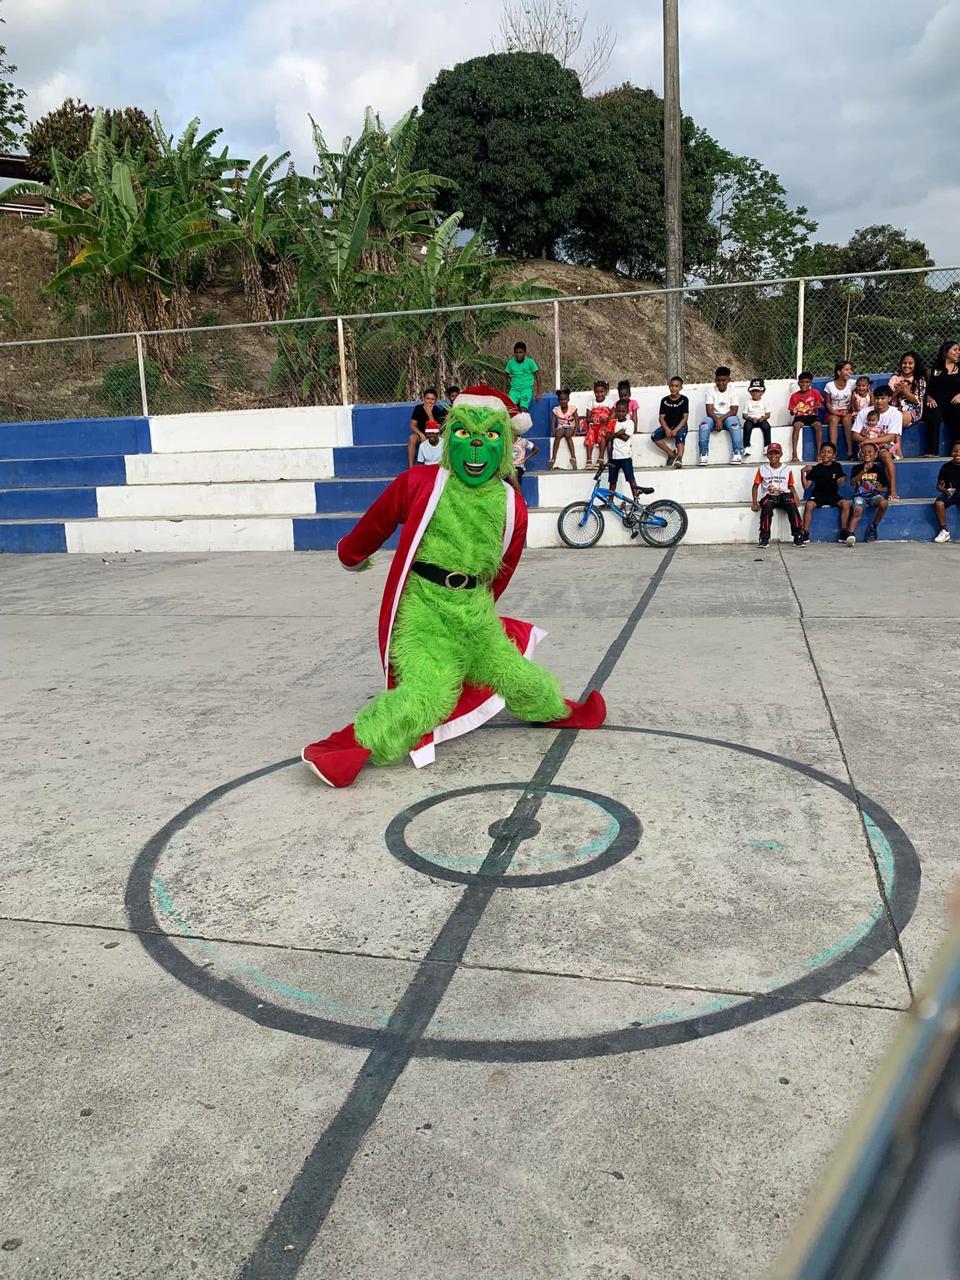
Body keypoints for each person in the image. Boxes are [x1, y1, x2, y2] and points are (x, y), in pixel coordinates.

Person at [301, 385, 606, 789]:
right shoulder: (421, 482)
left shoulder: (511, 503)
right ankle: (346, 746)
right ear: (450, 436)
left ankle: (561, 712)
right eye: (464, 433)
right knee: (430, 694)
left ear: (505, 443)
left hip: (475, 615)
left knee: (520, 676)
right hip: (425, 613)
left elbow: (504, 565)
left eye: (490, 436)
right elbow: (378, 520)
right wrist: (351, 553)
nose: (477, 446)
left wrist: (481, 610)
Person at [851, 385, 901, 498]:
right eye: (877, 398)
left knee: (886, 456)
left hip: (883, 446)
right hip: (866, 446)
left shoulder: (896, 413)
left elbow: (891, 437)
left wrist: (873, 441)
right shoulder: (864, 412)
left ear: (889, 398)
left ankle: (893, 491)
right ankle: (865, 493)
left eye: (883, 398)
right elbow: (855, 435)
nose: (879, 401)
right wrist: (868, 442)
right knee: (868, 452)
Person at [751, 442, 804, 547]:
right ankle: (764, 538)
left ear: (781, 454)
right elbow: (755, 486)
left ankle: (798, 536)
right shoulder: (763, 468)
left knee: (792, 506)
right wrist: (754, 502)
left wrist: (796, 496)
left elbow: (790, 485)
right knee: (767, 506)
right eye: (770, 453)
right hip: (769, 496)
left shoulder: (787, 468)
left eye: (776, 453)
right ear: (767, 455)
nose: (773, 456)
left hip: (784, 495)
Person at [801, 441, 850, 544]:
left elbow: (843, 478)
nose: (825, 454)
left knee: (846, 504)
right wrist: (803, 473)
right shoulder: (816, 468)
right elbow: (806, 486)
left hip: (833, 495)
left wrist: (842, 479)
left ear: (834, 455)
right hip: (818, 495)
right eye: (823, 452)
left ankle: (844, 532)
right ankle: (805, 533)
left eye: (829, 452)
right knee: (809, 505)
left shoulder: (837, 466)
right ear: (820, 453)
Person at [698, 366, 743, 465]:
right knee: (704, 425)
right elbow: (709, 411)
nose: (720, 383)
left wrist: (720, 420)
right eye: (718, 380)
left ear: (729, 380)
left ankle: (737, 453)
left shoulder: (733, 390)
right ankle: (703, 454)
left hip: (728, 416)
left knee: (735, 424)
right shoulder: (710, 390)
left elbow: (734, 410)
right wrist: (717, 420)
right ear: (715, 380)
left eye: (724, 380)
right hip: (713, 416)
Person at [847, 442, 889, 544]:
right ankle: (850, 534)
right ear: (860, 454)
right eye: (864, 451)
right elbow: (852, 483)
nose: (866, 453)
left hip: (874, 496)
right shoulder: (856, 468)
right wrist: (863, 471)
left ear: (875, 455)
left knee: (884, 503)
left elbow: (885, 488)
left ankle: (873, 527)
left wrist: (880, 488)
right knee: (858, 509)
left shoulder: (879, 470)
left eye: (870, 451)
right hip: (859, 496)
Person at [926, 339, 960, 454]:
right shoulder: (936, 369)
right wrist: (929, 397)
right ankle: (932, 451)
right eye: (955, 350)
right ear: (946, 352)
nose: (958, 352)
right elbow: (928, 388)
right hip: (938, 403)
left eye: (959, 350)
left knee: (958, 413)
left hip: (955, 403)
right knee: (933, 415)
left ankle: (957, 449)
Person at [607, 400, 640, 511]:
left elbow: (626, 438)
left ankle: (636, 500)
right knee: (612, 480)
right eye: (618, 411)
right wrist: (619, 433)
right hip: (614, 455)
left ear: (627, 411)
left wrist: (614, 434)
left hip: (625, 456)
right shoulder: (612, 422)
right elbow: (608, 437)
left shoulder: (630, 423)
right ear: (615, 411)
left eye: (623, 411)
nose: (620, 413)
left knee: (631, 479)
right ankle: (610, 501)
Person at [889, 352, 928, 440]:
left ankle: (888, 441)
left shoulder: (919, 380)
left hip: (912, 408)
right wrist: (897, 391)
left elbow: (917, 400)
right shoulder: (894, 378)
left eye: (910, 363)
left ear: (915, 365)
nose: (907, 365)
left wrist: (905, 391)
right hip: (894, 407)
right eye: (904, 363)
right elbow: (888, 397)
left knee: (899, 419)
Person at [651, 376, 689, 468]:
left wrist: (676, 430)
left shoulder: (684, 399)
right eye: (672, 386)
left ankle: (679, 458)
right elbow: (661, 418)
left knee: (680, 437)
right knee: (654, 436)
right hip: (668, 426)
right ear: (669, 386)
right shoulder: (664, 400)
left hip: (680, 426)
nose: (673, 388)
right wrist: (667, 429)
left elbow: (685, 417)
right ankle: (671, 454)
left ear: (680, 387)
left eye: (676, 386)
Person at [788, 372, 825, 461]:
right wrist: (793, 411)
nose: (804, 384)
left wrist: (820, 406)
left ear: (811, 383)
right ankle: (794, 453)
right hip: (800, 417)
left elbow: (823, 407)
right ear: (798, 383)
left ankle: (819, 453)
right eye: (802, 382)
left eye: (807, 382)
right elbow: (791, 413)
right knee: (796, 425)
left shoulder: (815, 393)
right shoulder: (794, 396)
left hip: (812, 416)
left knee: (818, 425)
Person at [408, 388, 447, 469]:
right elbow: (412, 425)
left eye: (432, 399)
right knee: (412, 438)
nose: (430, 401)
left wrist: (429, 414)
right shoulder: (418, 408)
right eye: (427, 398)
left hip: (433, 436)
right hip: (420, 435)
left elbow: (435, 429)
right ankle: (410, 468)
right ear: (424, 399)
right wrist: (421, 434)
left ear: (435, 401)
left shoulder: (438, 411)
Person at [824, 359, 856, 456]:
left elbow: (854, 399)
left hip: (847, 411)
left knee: (847, 419)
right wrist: (834, 412)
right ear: (839, 372)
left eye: (850, 369)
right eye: (846, 369)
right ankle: (833, 452)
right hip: (833, 412)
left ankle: (850, 451)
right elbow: (827, 403)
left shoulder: (853, 383)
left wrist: (847, 410)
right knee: (834, 420)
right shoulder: (829, 386)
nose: (849, 372)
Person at [932, 439, 960, 543]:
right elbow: (938, 486)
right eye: (955, 451)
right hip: (951, 493)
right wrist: (946, 490)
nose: (957, 454)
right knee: (939, 503)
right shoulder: (946, 467)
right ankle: (944, 531)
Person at [584, 379, 614, 469]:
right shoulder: (591, 402)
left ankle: (600, 458)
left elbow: (613, 413)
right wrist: (592, 420)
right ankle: (589, 460)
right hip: (594, 425)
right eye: (597, 392)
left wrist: (607, 419)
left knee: (602, 433)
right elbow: (587, 418)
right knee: (590, 434)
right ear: (594, 392)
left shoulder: (609, 402)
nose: (599, 394)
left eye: (602, 392)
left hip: (605, 425)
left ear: (606, 392)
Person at [503, 341, 541, 412]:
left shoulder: (530, 362)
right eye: (516, 352)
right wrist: (504, 392)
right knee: (509, 409)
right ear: (514, 353)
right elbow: (505, 377)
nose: (518, 355)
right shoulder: (511, 363)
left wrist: (539, 393)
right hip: (514, 391)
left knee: (523, 409)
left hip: (526, 389)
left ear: (525, 353)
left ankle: (525, 418)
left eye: (521, 352)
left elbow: (537, 375)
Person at [742, 378, 772, 458]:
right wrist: (750, 419)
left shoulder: (765, 402)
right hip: (751, 420)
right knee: (747, 427)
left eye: (757, 391)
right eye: (752, 391)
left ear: (762, 392)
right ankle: (747, 447)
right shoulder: (747, 402)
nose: (754, 393)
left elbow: (768, 414)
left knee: (766, 427)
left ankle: (767, 446)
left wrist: (763, 418)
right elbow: (744, 415)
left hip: (761, 419)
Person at [550, 388, 578, 469]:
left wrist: (575, 431)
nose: (563, 401)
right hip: (561, 427)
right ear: (558, 400)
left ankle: (573, 457)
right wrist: (554, 431)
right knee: (558, 435)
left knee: (568, 435)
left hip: (570, 427)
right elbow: (553, 421)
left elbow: (577, 420)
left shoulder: (572, 408)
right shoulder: (556, 409)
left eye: (565, 399)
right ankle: (553, 458)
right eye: (561, 400)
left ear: (568, 399)